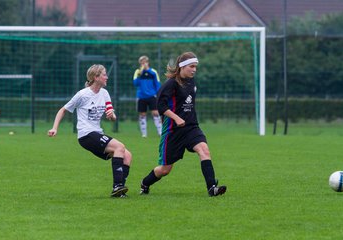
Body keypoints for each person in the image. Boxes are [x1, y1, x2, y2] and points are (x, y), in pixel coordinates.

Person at [139, 52, 227, 197]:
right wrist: (177, 118)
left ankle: (212, 188)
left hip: (192, 127)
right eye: (192, 66)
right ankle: (145, 183)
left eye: (196, 67)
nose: (194, 70)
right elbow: (160, 106)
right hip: (173, 131)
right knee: (165, 170)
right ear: (182, 66)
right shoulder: (171, 84)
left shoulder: (191, 82)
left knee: (204, 150)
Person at [48, 64, 132, 198]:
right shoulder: (82, 94)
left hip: (97, 133)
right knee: (119, 146)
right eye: (104, 74)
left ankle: (119, 191)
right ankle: (117, 186)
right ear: (95, 77)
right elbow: (63, 110)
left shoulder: (105, 93)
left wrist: (112, 116)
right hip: (86, 135)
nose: (107, 77)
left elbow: (112, 115)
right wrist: (54, 127)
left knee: (127, 155)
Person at [133, 55, 162, 137]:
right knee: (142, 114)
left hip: (152, 96)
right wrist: (140, 74)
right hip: (141, 97)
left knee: (156, 113)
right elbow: (135, 83)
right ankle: (144, 134)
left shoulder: (153, 72)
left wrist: (158, 94)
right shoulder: (137, 72)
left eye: (145, 62)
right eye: (142, 63)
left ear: (148, 62)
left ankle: (160, 132)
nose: (143, 64)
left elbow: (157, 84)